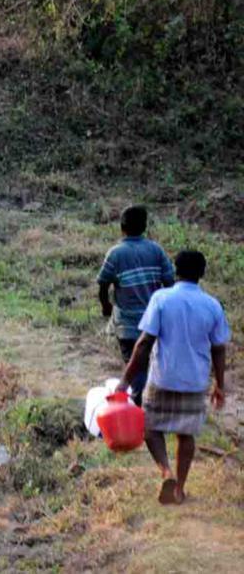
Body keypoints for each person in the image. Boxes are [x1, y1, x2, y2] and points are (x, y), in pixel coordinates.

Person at [117, 250, 229, 505]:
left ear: (175, 270)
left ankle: (166, 472)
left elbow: (144, 342)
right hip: (195, 381)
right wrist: (220, 384)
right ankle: (179, 488)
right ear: (202, 273)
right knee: (185, 434)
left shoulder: (162, 298)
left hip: (162, 378)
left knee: (150, 428)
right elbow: (219, 347)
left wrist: (126, 379)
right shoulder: (212, 305)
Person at [98, 205, 174, 405]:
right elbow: (170, 281)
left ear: (121, 228)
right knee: (150, 363)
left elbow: (103, 283)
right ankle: (151, 404)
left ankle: (140, 407)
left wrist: (105, 305)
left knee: (135, 364)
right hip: (154, 323)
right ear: (144, 227)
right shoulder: (155, 250)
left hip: (128, 324)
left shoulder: (115, 253)